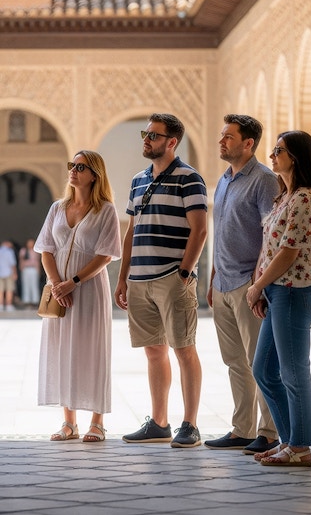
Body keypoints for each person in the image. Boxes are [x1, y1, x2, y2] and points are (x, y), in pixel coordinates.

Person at [115, 113, 207, 448]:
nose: (146, 139)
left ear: (171, 142)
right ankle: (159, 422)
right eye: (145, 133)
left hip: (172, 278)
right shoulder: (138, 180)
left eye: (153, 135)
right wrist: (123, 277)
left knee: (184, 349)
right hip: (139, 278)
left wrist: (184, 272)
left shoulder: (189, 178)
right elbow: (130, 232)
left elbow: (200, 229)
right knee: (154, 350)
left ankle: (190, 424)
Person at [246, 130, 311, 467]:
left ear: (295, 156)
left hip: (294, 293)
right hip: (277, 292)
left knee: (294, 373)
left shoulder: (305, 198)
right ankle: (290, 442)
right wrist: (261, 287)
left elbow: (288, 253)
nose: (271, 155)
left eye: (278, 150)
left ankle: (300, 448)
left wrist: (256, 286)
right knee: (264, 370)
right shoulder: (284, 198)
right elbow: (269, 249)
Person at [204, 114, 280, 454]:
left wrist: (257, 283)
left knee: (258, 361)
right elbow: (219, 232)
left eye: (228, 137)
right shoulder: (223, 180)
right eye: (222, 136)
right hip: (222, 284)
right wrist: (211, 277)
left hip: (248, 286)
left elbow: (271, 234)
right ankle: (242, 428)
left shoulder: (264, 180)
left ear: (248, 144)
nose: (221, 142)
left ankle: (269, 431)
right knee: (235, 361)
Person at [34, 151, 121, 443]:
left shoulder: (105, 210)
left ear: (94, 174)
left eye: (80, 167)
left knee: (92, 350)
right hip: (59, 291)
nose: (73, 170)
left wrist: (74, 282)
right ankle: (68, 422)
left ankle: (97, 421)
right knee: (62, 350)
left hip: (89, 289)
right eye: (72, 165)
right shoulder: (58, 208)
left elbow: (105, 255)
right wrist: (57, 284)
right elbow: (46, 248)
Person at [19, 238, 41, 307]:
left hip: (34, 269)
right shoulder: (23, 250)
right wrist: (21, 269)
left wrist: (38, 271)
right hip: (26, 269)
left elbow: (38, 261)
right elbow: (21, 260)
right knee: (26, 285)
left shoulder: (36, 251)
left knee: (34, 285)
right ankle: (27, 301)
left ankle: (35, 301)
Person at [0, 240, 17, 311]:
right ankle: (8, 305)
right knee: (9, 289)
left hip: (0, 273)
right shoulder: (9, 251)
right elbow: (12, 264)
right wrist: (15, 273)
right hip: (8, 273)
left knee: (0, 290)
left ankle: (0, 305)